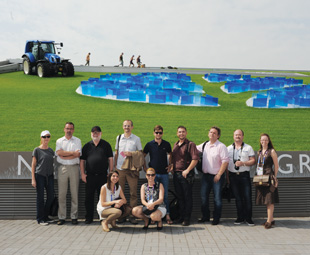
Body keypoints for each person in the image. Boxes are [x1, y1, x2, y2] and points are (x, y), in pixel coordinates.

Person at [80, 126, 113, 224]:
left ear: (101, 133)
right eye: (93, 132)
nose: (95, 134)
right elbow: (82, 161)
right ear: (91, 134)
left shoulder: (106, 145)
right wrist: (82, 174)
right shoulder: (87, 146)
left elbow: (110, 159)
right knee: (88, 198)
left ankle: (102, 217)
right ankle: (88, 217)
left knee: (102, 198)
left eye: (97, 132)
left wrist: (110, 173)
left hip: (103, 176)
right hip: (90, 176)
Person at [197, 126, 229, 225]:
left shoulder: (221, 146)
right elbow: (193, 148)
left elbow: (225, 162)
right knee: (203, 197)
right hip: (205, 176)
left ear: (218, 136)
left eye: (214, 133)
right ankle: (205, 217)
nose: (212, 134)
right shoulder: (205, 145)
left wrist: (219, 174)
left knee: (217, 198)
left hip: (217, 177)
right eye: (210, 132)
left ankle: (216, 218)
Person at [114, 120, 143, 224]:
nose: (127, 127)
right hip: (120, 169)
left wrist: (132, 154)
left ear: (132, 127)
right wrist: (114, 167)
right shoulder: (119, 137)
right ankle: (121, 215)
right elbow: (117, 153)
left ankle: (132, 215)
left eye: (129, 126)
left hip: (131, 170)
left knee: (133, 193)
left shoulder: (136, 139)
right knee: (119, 193)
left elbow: (140, 153)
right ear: (123, 127)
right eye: (125, 126)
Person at [143, 125, 173, 224]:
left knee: (165, 196)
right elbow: (143, 155)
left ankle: (167, 215)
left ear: (162, 133)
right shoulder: (149, 144)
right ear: (153, 133)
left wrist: (170, 165)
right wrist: (144, 167)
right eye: (156, 132)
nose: (158, 134)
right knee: (152, 196)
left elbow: (170, 154)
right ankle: (153, 216)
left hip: (164, 174)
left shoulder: (166, 144)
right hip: (153, 175)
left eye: (160, 132)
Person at [227, 129, 256, 226]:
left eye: (239, 135)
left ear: (243, 136)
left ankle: (248, 218)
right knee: (238, 198)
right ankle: (240, 217)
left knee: (247, 197)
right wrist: (227, 178)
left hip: (244, 175)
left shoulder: (248, 147)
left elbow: (253, 161)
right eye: (236, 135)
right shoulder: (228, 149)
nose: (238, 136)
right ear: (233, 136)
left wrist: (243, 163)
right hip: (233, 176)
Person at [172, 126, 199, 226]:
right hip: (176, 174)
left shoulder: (190, 144)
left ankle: (187, 218)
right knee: (179, 197)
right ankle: (181, 216)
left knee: (187, 197)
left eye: (183, 132)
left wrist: (187, 170)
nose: (181, 134)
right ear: (177, 133)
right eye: (179, 132)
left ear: (186, 133)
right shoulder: (175, 144)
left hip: (186, 175)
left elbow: (195, 159)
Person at [56, 122, 82, 225]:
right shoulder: (59, 141)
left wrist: (65, 155)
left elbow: (78, 155)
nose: (69, 130)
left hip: (74, 168)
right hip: (62, 168)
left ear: (73, 130)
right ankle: (61, 217)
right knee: (62, 194)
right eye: (67, 128)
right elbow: (59, 153)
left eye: (71, 129)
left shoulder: (77, 140)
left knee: (74, 193)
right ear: (64, 129)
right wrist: (72, 153)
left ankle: (74, 217)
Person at [31, 130, 55, 226]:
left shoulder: (50, 150)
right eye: (44, 137)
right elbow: (33, 165)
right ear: (41, 138)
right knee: (40, 198)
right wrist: (33, 179)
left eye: (48, 136)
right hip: (39, 176)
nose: (46, 138)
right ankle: (40, 219)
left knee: (51, 197)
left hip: (49, 176)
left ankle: (45, 216)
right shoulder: (37, 150)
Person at [256, 133, 279, 229]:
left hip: (269, 178)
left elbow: (276, 166)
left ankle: (269, 221)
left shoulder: (272, 151)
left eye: (265, 140)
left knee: (270, 199)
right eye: (262, 140)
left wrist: (275, 177)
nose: (264, 141)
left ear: (268, 141)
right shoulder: (259, 152)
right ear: (260, 141)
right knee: (266, 199)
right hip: (261, 178)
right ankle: (271, 219)